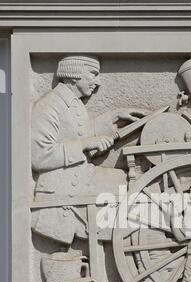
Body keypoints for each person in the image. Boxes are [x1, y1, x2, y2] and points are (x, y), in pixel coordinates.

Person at [31, 54, 142, 245]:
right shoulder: (48, 105)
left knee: (132, 182)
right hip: (63, 187)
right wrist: (85, 145)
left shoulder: (71, 102)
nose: (98, 82)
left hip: (80, 176)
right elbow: (39, 156)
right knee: (132, 188)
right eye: (93, 74)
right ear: (75, 74)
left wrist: (113, 117)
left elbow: (76, 132)